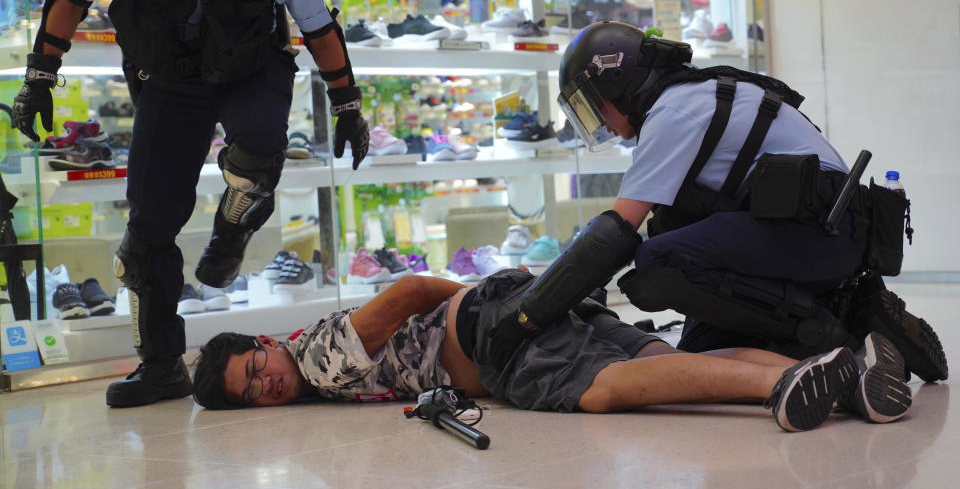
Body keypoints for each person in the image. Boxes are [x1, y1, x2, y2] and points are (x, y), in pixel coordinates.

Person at [11, 0, 370, 408]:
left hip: (251, 70)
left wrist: (349, 105)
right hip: (174, 79)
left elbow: (320, 28)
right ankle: (161, 367)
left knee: (258, 155)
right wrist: (38, 78)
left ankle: (235, 223)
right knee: (148, 231)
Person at [488, 21, 947, 385]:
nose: (599, 121)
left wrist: (523, 319)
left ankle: (836, 333)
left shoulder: (674, 111)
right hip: (821, 234)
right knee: (699, 355)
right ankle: (858, 312)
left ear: (617, 84)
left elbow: (615, 233)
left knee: (656, 265)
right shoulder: (692, 97)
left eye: (593, 106)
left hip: (821, 236)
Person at [191, 269, 913, 432]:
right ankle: (836, 377)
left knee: (602, 389)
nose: (267, 386)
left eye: (256, 369)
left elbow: (410, 289)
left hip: (495, 333)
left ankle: (777, 393)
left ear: (264, 344)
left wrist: (483, 307)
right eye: (250, 392)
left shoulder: (317, 356)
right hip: (515, 305)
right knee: (651, 356)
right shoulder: (312, 365)